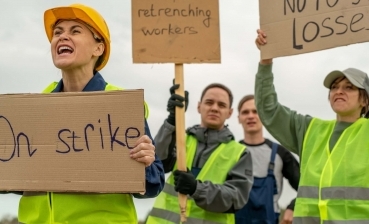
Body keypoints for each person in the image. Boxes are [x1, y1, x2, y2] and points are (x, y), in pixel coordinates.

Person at [1, 4, 165, 224]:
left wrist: (144, 165)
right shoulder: (35, 108)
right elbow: (19, 179)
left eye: (75, 31)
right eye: (57, 33)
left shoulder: (120, 106)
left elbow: (154, 183)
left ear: (98, 48)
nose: (62, 37)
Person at [254, 29, 369, 223]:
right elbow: (268, 109)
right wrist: (266, 61)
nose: (339, 91)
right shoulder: (310, 130)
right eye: (334, 87)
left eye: (349, 87)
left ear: (364, 100)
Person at [146, 83, 254, 224]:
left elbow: (236, 198)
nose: (214, 108)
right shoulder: (180, 139)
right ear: (198, 106)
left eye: (221, 105)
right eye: (209, 102)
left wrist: (197, 188)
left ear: (230, 112)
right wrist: (172, 120)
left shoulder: (240, 153)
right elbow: (155, 163)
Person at [235, 94, 300, 224]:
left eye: (256, 111)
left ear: (263, 116)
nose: (251, 116)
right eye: (245, 112)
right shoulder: (231, 153)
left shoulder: (280, 153)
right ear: (239, 118)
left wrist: (293, 207)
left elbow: (307, 186)